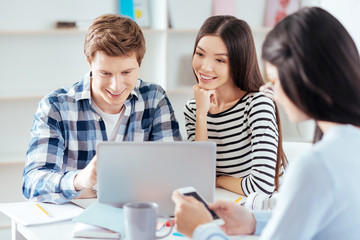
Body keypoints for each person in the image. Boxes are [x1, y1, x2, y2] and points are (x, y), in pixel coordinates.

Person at [172, 7, 360, 239]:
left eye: (276, 80)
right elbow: (305, 218)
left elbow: (266, 189)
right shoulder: (347, 149)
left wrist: (202, 229)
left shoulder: (316, 167)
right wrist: (254, 221)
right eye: (200, 54)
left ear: (304, 79)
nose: (271, 91)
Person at [22, 14, 182, 204]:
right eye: (105, 73)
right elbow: (32, 184)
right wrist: (79, 180)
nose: (116, 86)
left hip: (138, 211)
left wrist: (94, 190)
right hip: (74, 221)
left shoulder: (154, 99)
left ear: (139, 63)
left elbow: (173, 172)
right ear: (90, 63)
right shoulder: (56, 107)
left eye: (126, 72)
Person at [183, 15, 287, 196]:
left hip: (267, 209)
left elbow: (262, 187)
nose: (205, 67)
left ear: (238, 63)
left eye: (220, 60)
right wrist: (201, 115)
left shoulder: (257, 105)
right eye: (200, 54)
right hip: (227, 202)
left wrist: (218, 180)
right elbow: (200, 176)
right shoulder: (194, 108)